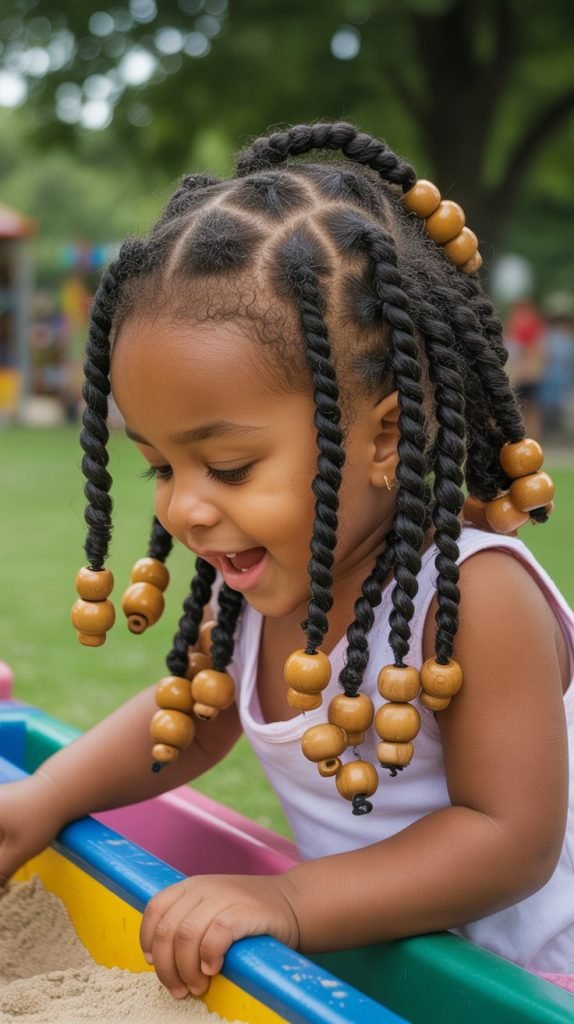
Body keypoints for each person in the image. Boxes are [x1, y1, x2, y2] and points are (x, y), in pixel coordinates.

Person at [1, 122, 573, 999]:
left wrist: (291, 899)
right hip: (379, 974)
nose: (183, 508)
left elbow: (509, 838)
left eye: (227, 467)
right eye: (160, 465)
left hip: (525, 986)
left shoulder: (471, 594)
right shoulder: (266, 589)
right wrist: (37, 804)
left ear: (383, 437)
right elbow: (189, 716)